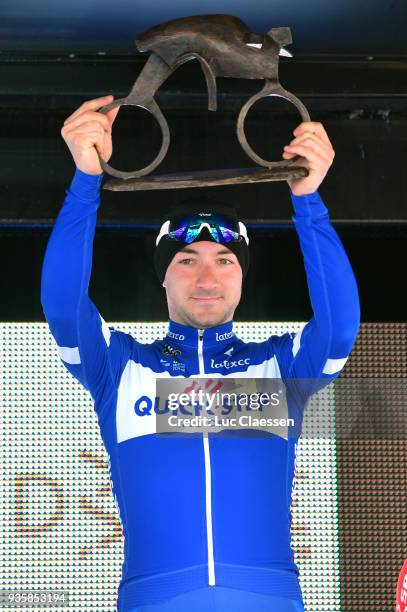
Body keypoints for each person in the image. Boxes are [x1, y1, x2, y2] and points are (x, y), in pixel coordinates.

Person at [41, 95, 360, 612]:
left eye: (225, 260)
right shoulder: (121, 369)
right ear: (163, 274)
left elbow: (340, 328)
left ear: (242, 276)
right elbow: (62, 304)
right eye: (187, 260)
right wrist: (85, 180)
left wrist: (309, 200)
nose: (207, 278)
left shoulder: (277, 369)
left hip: (269, 598)